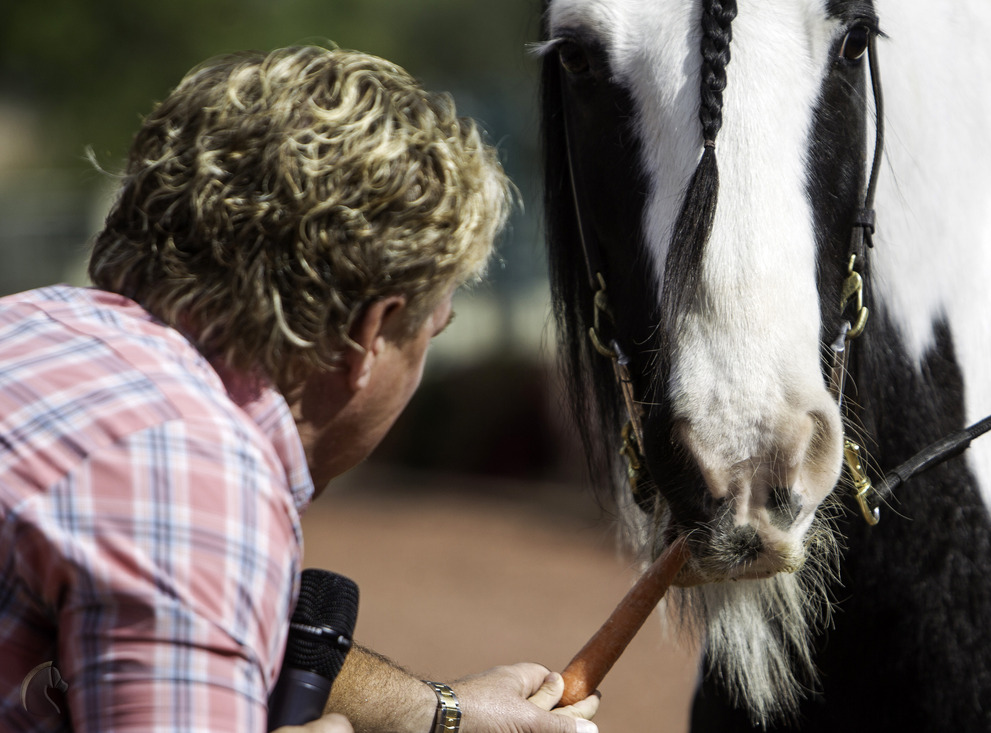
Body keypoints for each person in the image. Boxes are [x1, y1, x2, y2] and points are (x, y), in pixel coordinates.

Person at [0, 45, 600, 733]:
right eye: (430, 332)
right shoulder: (189, 474)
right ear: (370, 333)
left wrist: (439, 713)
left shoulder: (32, 324)